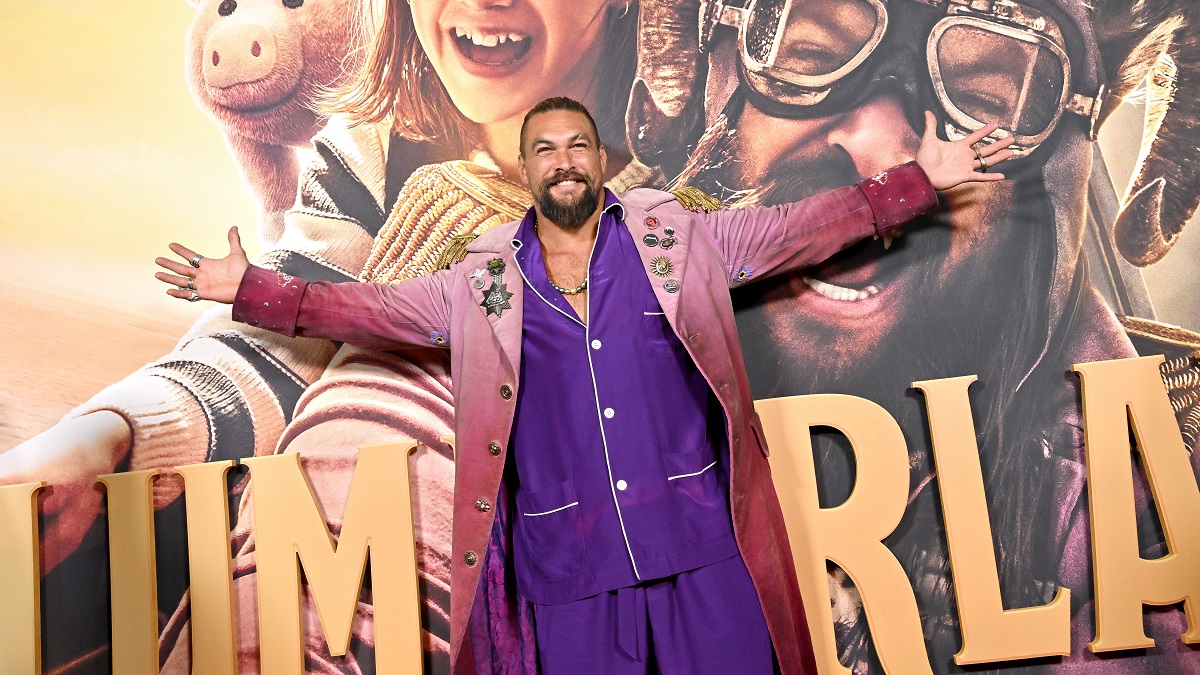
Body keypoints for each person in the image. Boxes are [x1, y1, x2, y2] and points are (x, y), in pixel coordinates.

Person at [156, 97, 1013, 672]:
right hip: (565, 575)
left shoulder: (680, 243)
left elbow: (803, 230)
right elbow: (365, 307)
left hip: (698, 552)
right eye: (544, 151)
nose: (563, 162)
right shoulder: (479, 284)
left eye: (576, 146)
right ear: (527, 170)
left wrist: (916, 186)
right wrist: (245, 288)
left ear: (599, 160)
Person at [2, 0, 643, 670]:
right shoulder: (381, 145)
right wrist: (109, 435)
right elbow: (282, 338)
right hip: (301, 575)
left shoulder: (709, 171)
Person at [631, 0, 1200, 670]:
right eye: (808, 51)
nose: (879, 146)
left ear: (1056, 177)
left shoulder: (1157, 501)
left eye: (985, 99)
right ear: (712, 72)